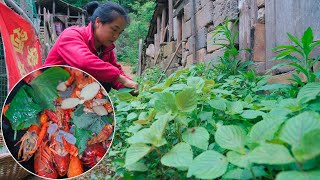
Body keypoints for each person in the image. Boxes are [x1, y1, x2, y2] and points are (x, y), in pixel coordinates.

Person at [44, 1, 138, 91]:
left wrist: (129, 85)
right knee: (99, 73)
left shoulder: (106, 49)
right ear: (98, 22)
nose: (116, 36)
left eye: (119, 33)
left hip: (72, 94)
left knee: (106, 77)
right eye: (114, 29)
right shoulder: (71, 35)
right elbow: (83, 62)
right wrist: (120, 78)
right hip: (48, 88)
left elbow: (116, 70)